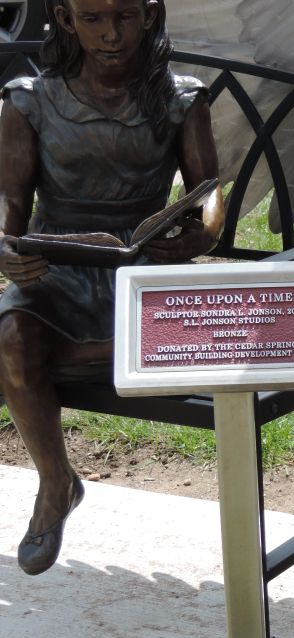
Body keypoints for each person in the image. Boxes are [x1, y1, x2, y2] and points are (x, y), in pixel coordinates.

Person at [0, 0, 224, 575]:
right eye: (94, 18)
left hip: (139, 268)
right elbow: (10, 203)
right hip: (57, 267)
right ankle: (56, 483)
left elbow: (207, 188)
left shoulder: (179, 99)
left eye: (124, 16)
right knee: (13, 341)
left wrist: (207, 231)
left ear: (150, 16)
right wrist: (4, 245)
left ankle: (94, 360)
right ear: (66, 18)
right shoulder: (30, 101)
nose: (110, 34)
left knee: (181, 340)